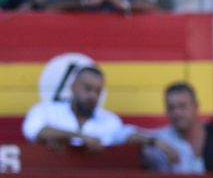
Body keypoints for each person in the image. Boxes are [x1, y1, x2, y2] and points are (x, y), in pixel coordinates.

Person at [22, 61, 176, 161]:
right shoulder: (46, 110)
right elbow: (33, 130)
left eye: (97, 91)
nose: (92, 96)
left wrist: (154, 141)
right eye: (87, 88)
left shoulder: (108, 120)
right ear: (73, 86)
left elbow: (125, 134)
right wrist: (79, 136)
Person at [141, 80, 205, 174]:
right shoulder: (162, 138)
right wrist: (156, 142)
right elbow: (123, 135)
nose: (176, 113)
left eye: (182, 106)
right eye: (171, 108)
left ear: (195, 106)